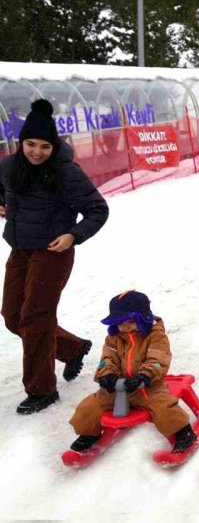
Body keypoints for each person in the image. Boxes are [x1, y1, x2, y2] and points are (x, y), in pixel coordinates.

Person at [0, 99, 110, 415]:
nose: (36, 151)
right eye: (30, 144)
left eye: (44, 146)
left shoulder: (66, 173)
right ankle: (73, 348)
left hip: (52, 251)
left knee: (35, 317)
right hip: (20, 249)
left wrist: (73, 235)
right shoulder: (8, 166)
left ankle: (42, 390)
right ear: (21, 143)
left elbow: (97, 210)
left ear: (54, 146)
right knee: (11, 316)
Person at [67, 291, 196, 454]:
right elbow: (108, 358)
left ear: (144, 317)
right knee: (90, 406)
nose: (125, 327)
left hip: (147, 387)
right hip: (118, 387)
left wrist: (144, 376)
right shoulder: (114, 338)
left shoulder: (155, 336)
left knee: (163, 406)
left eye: (130, 321)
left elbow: (158, 358)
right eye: (120, 323)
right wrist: (107, 375)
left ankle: (183, 433)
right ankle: (88, 435)